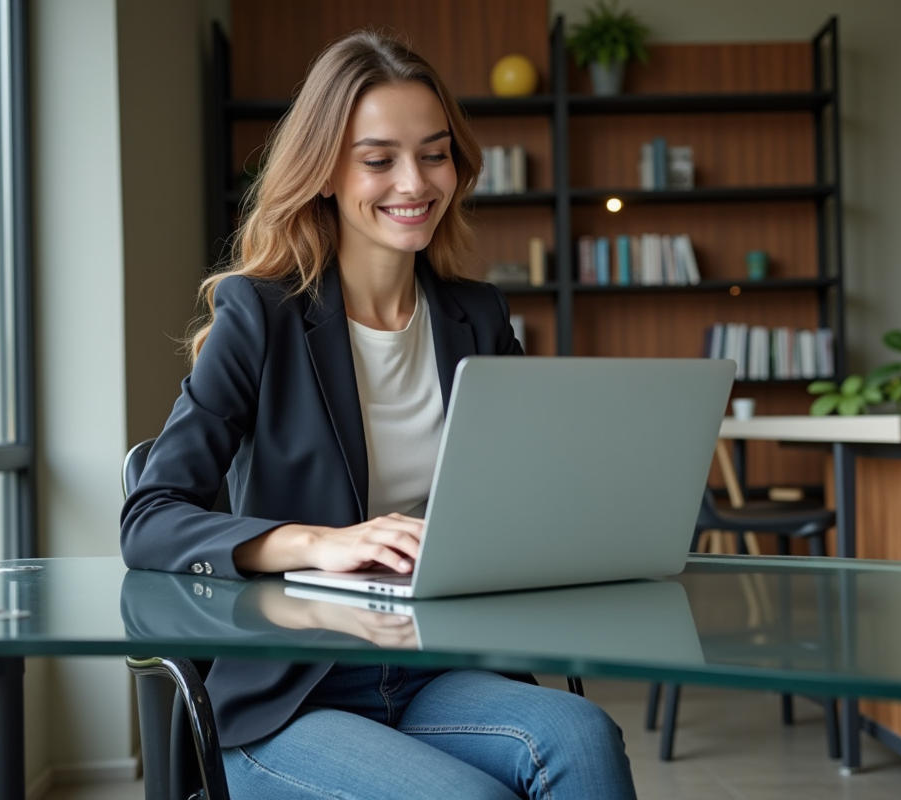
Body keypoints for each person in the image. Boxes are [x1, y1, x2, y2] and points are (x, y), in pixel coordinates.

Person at [121, 30, 637, 800]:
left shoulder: (477, 316)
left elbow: (524, 496)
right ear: (326, 172)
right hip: (292, 694)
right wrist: (317, 544)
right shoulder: (259, 315)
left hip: (439, 668)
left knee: (583, 736)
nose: (415, 181)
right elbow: (151, 517)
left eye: (434, 153)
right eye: (379, 158)